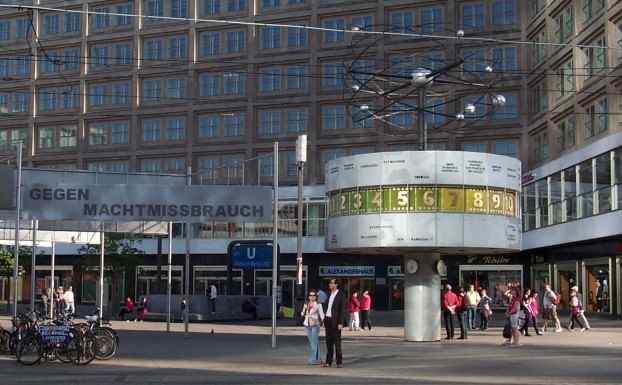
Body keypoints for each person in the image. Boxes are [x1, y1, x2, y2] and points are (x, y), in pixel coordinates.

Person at [323, 278, 346, 368]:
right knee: (328, 342)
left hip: (336, 321)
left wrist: (340, 323)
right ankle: (328, 362)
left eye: (332, 283)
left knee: (337, 342)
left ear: (336, 285)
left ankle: (339, 362)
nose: (330, 285)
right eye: (330, 283)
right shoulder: (328, 294)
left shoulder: (341, 295)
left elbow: (342, 310)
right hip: (328, 320)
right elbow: (325, 306)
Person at [301, 289, 325, 365]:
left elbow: (322, 314)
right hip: (307, 325)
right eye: (310, 295)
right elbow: (302, 313)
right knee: (313, 342)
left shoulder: (318, 304)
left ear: (316, 296)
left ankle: (313, 359)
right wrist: (303, 312)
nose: (312, 297)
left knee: (313, 343)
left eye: (313, 295)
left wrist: (324, 323)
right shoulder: (306, 303)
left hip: (315, 324)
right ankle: (319, 358)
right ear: (308, 296)